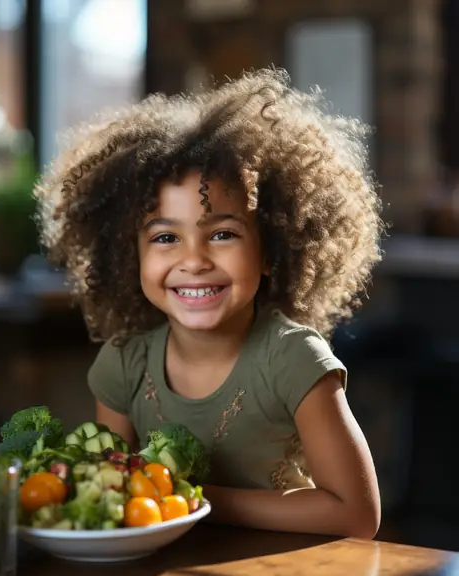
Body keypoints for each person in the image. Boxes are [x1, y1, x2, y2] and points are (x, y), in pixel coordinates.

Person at [35, 68, 384, 538]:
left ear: (270, 251)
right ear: (128, 255)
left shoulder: (294, 359)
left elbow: (357, 514)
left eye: (222, 234)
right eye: (165, 237)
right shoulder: (124, 364)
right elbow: (111, 498)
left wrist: (201, 500)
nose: (194, 260)